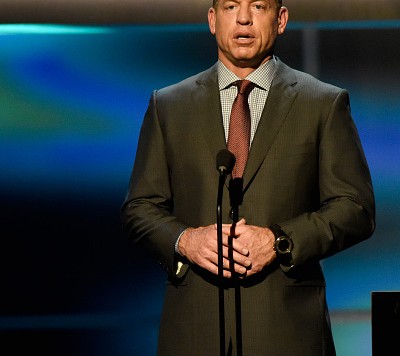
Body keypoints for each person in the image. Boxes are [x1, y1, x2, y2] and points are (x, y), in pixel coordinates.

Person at [120, 1, 375, 355]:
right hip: (195, 330)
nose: (243, 18)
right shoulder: (169, 106)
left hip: (286, 331)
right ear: (212, 19)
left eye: (257, 6)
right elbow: (140, 207)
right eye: (230, 6)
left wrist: (279, 241)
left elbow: (355, 208)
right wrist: (186, 240)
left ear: (281, 19)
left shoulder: (322, 103)